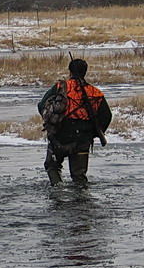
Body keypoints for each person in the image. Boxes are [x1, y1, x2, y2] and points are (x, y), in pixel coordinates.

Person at [38, 58, 112, 186]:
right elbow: (107, 116)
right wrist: (94, 133)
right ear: (85, 72)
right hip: (83, 138)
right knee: (79, 177)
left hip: (59, 136)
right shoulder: (96, 93)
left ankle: (58, 192)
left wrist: (52, 123)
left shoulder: (60, 87)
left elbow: (41, 105)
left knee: (52, 166)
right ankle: (81, 203)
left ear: (70, 72)